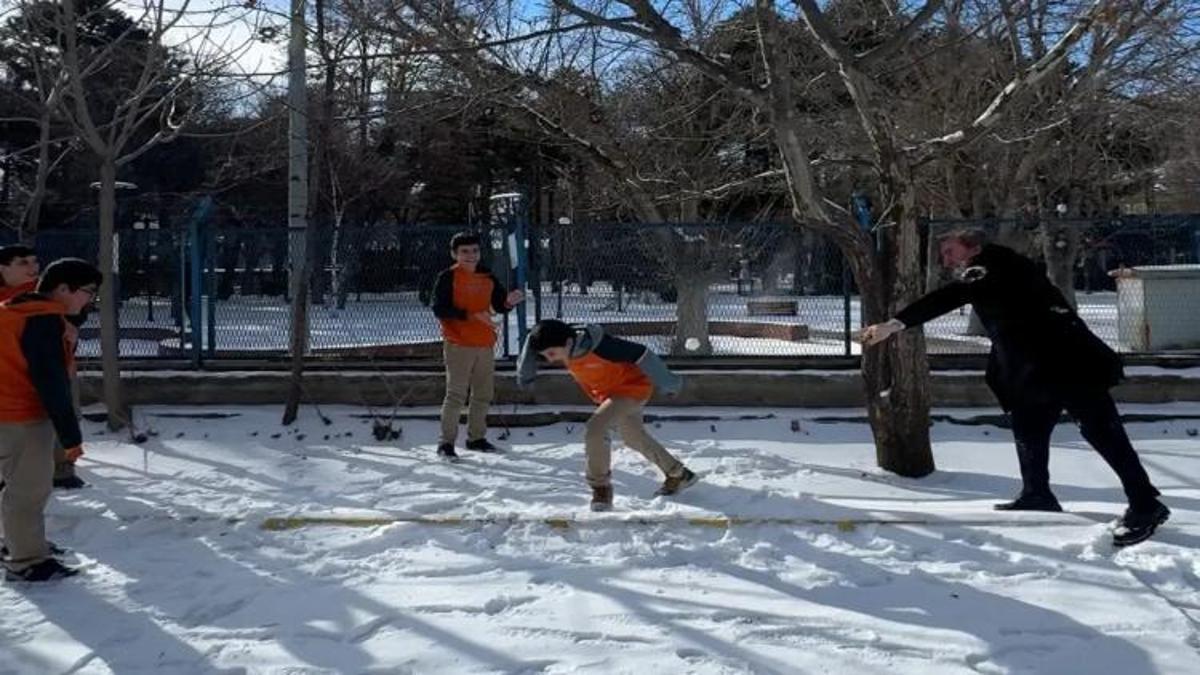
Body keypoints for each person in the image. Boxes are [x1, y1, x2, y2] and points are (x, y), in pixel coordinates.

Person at [860, 229, 1168, 547]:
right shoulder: (995, 267)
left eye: (951, 251)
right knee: (1028, 424)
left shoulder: (991, 265)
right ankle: (1037, 492)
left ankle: (1145, 504)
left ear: (973, 248)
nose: (945, 258)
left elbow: (949, 296)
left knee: (1102, 430)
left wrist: (893, 325)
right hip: (1034, 369)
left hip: (1066, 362)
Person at [517, 320, 697, 511]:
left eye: (552, 354)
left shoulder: (604, 347)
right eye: (546, 356)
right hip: (611, 394)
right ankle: (679, 474)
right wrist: (525, 376)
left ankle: (600, 488)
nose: (551, 360)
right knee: (633, 437)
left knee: (595, 429)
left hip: (632, 389)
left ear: (569, 342)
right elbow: (532, 340)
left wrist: (669, 383)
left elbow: (642, 354)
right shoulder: (566, 345)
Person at [0, 258, 101, 581]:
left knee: (12, 486)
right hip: (22, 417)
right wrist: (70, 437)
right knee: (27, 492)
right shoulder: (43, 322)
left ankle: (17, 544)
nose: (90, 300)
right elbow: (51, 382)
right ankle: (26, 560)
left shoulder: (16, 310)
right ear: (62, 289)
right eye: (88, 292)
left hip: (6, 412)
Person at [430, 232, 524, 461]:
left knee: (483, 394)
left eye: (474, 250)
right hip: (459, 343)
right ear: (454, 254)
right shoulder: (448, 277)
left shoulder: (487, 275)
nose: (471, 255)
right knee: (456, 395)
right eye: (464, 251)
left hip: (485, 343)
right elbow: (439, 309)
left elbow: (499, 305)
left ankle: (476, 438)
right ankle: (446, 443)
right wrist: (471, 315)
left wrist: (509, 302)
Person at [0, 245, 86, 490]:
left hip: (48, 367)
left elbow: (77, 309)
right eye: (23, 262)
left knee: (56, 410)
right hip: (8, 372)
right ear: (3, 267)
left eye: (34, 261)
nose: (33, 267)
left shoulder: (44, 290)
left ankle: (62, 468)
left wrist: (71, 325)